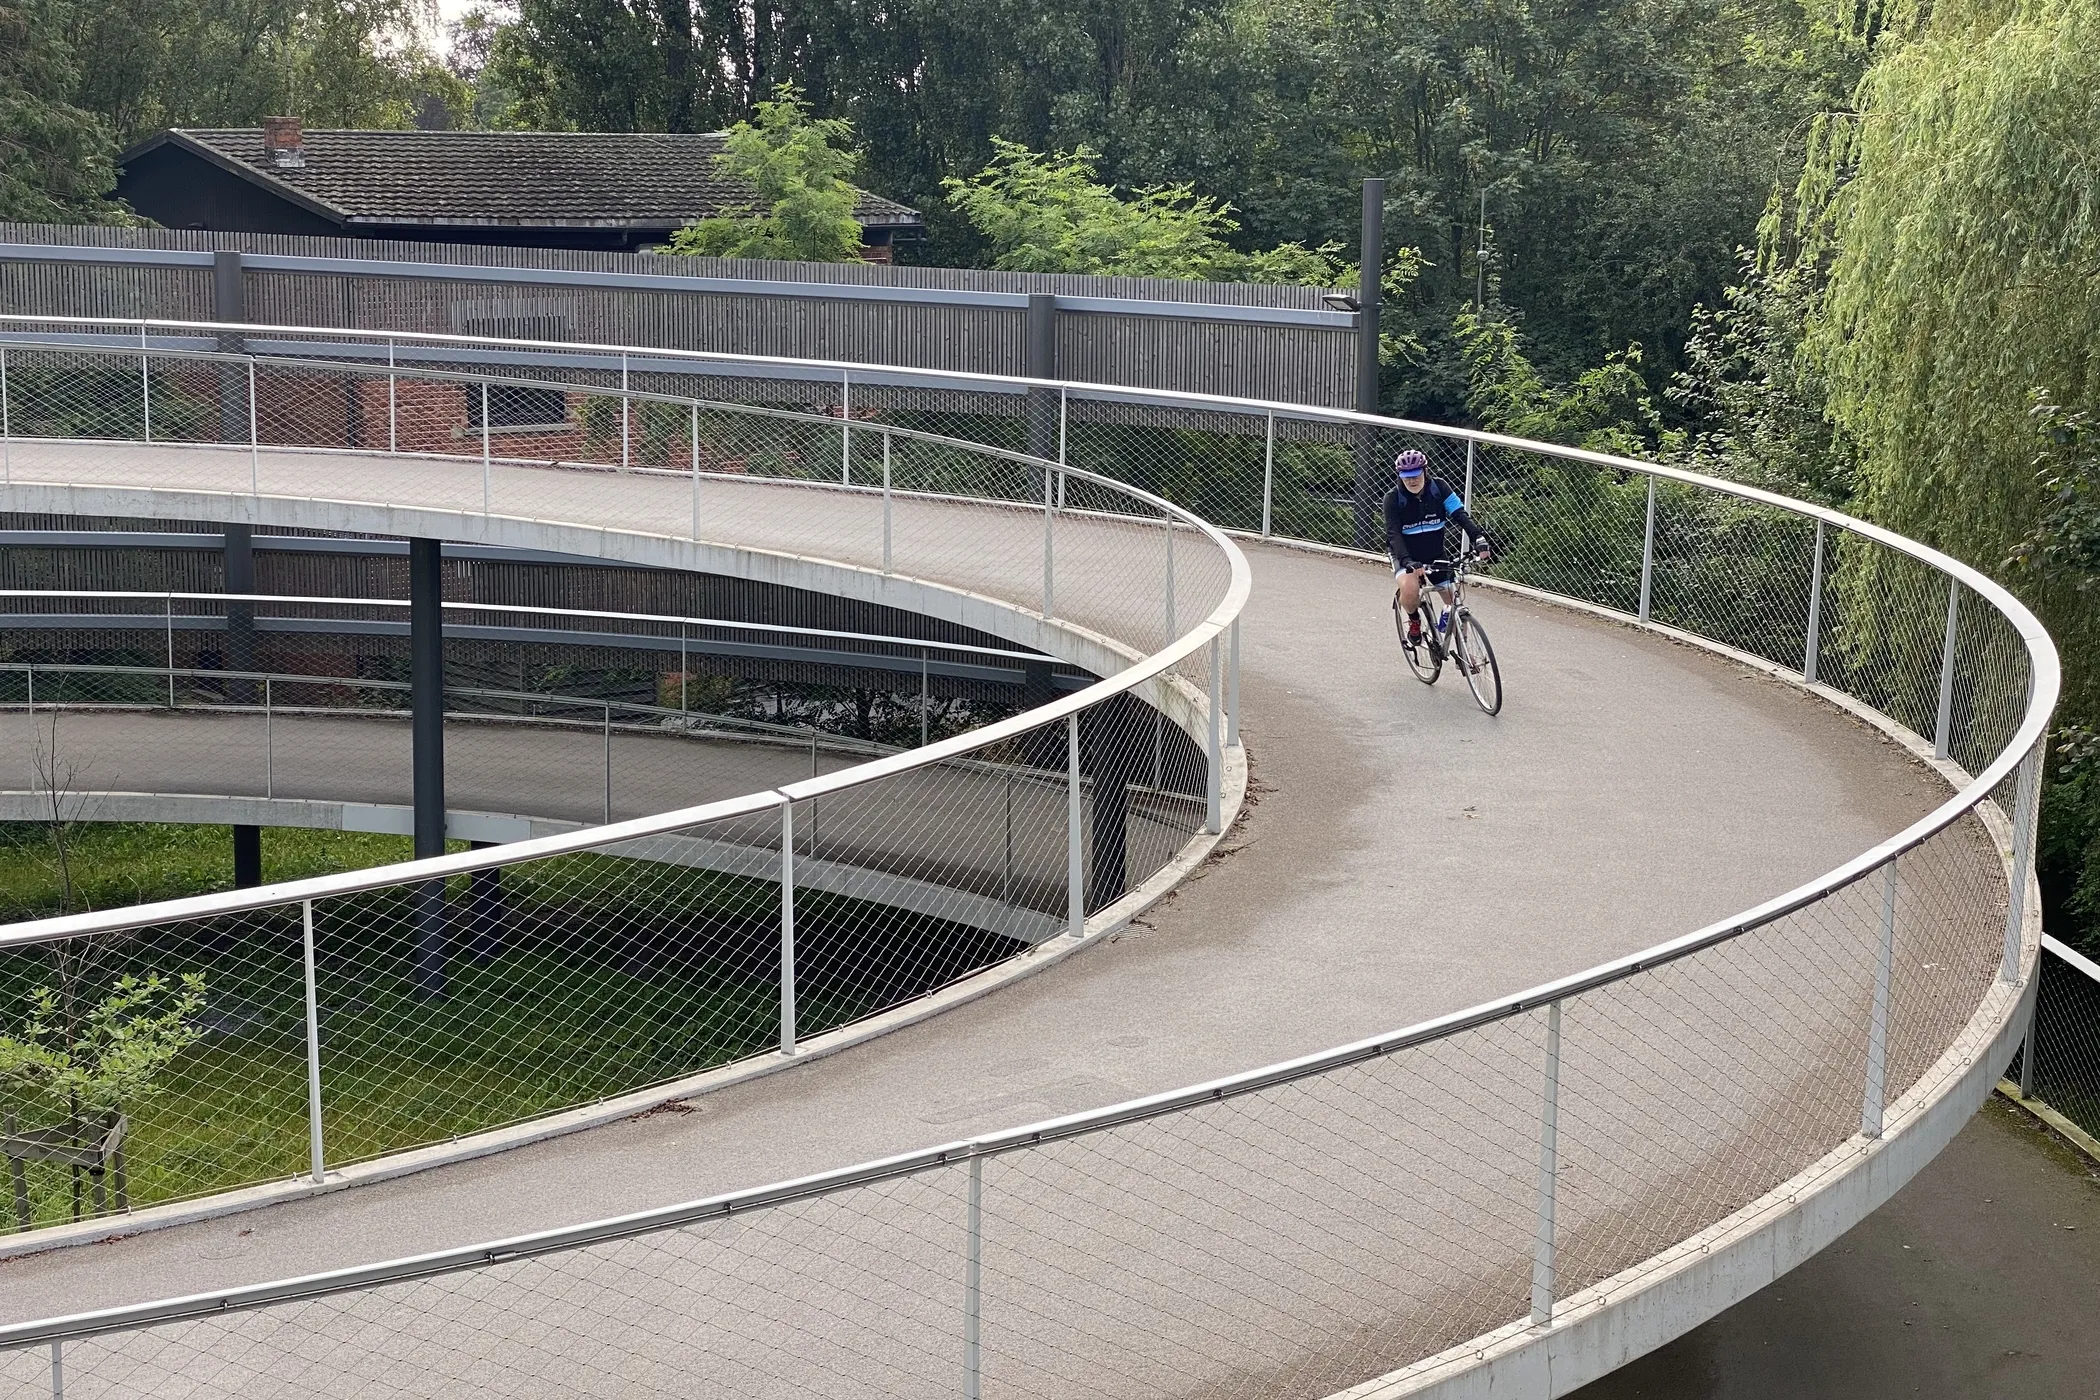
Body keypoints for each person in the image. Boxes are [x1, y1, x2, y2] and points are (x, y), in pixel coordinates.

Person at [1385, 448, 1491, 643]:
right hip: (1406, 555)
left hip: (1434, 553)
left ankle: (1467, 655)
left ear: (1425, 471)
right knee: (1410, 591)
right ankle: (1414, 620)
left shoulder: (1439, 488)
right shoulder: (1393, 499)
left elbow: (1460, 514)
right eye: (1406, 477)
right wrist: (1408, 561)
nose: (1412, 481)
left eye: (1416, 475)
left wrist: (1478, 538)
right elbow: (1393, 534)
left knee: (1455, 602)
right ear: (1400, 476)